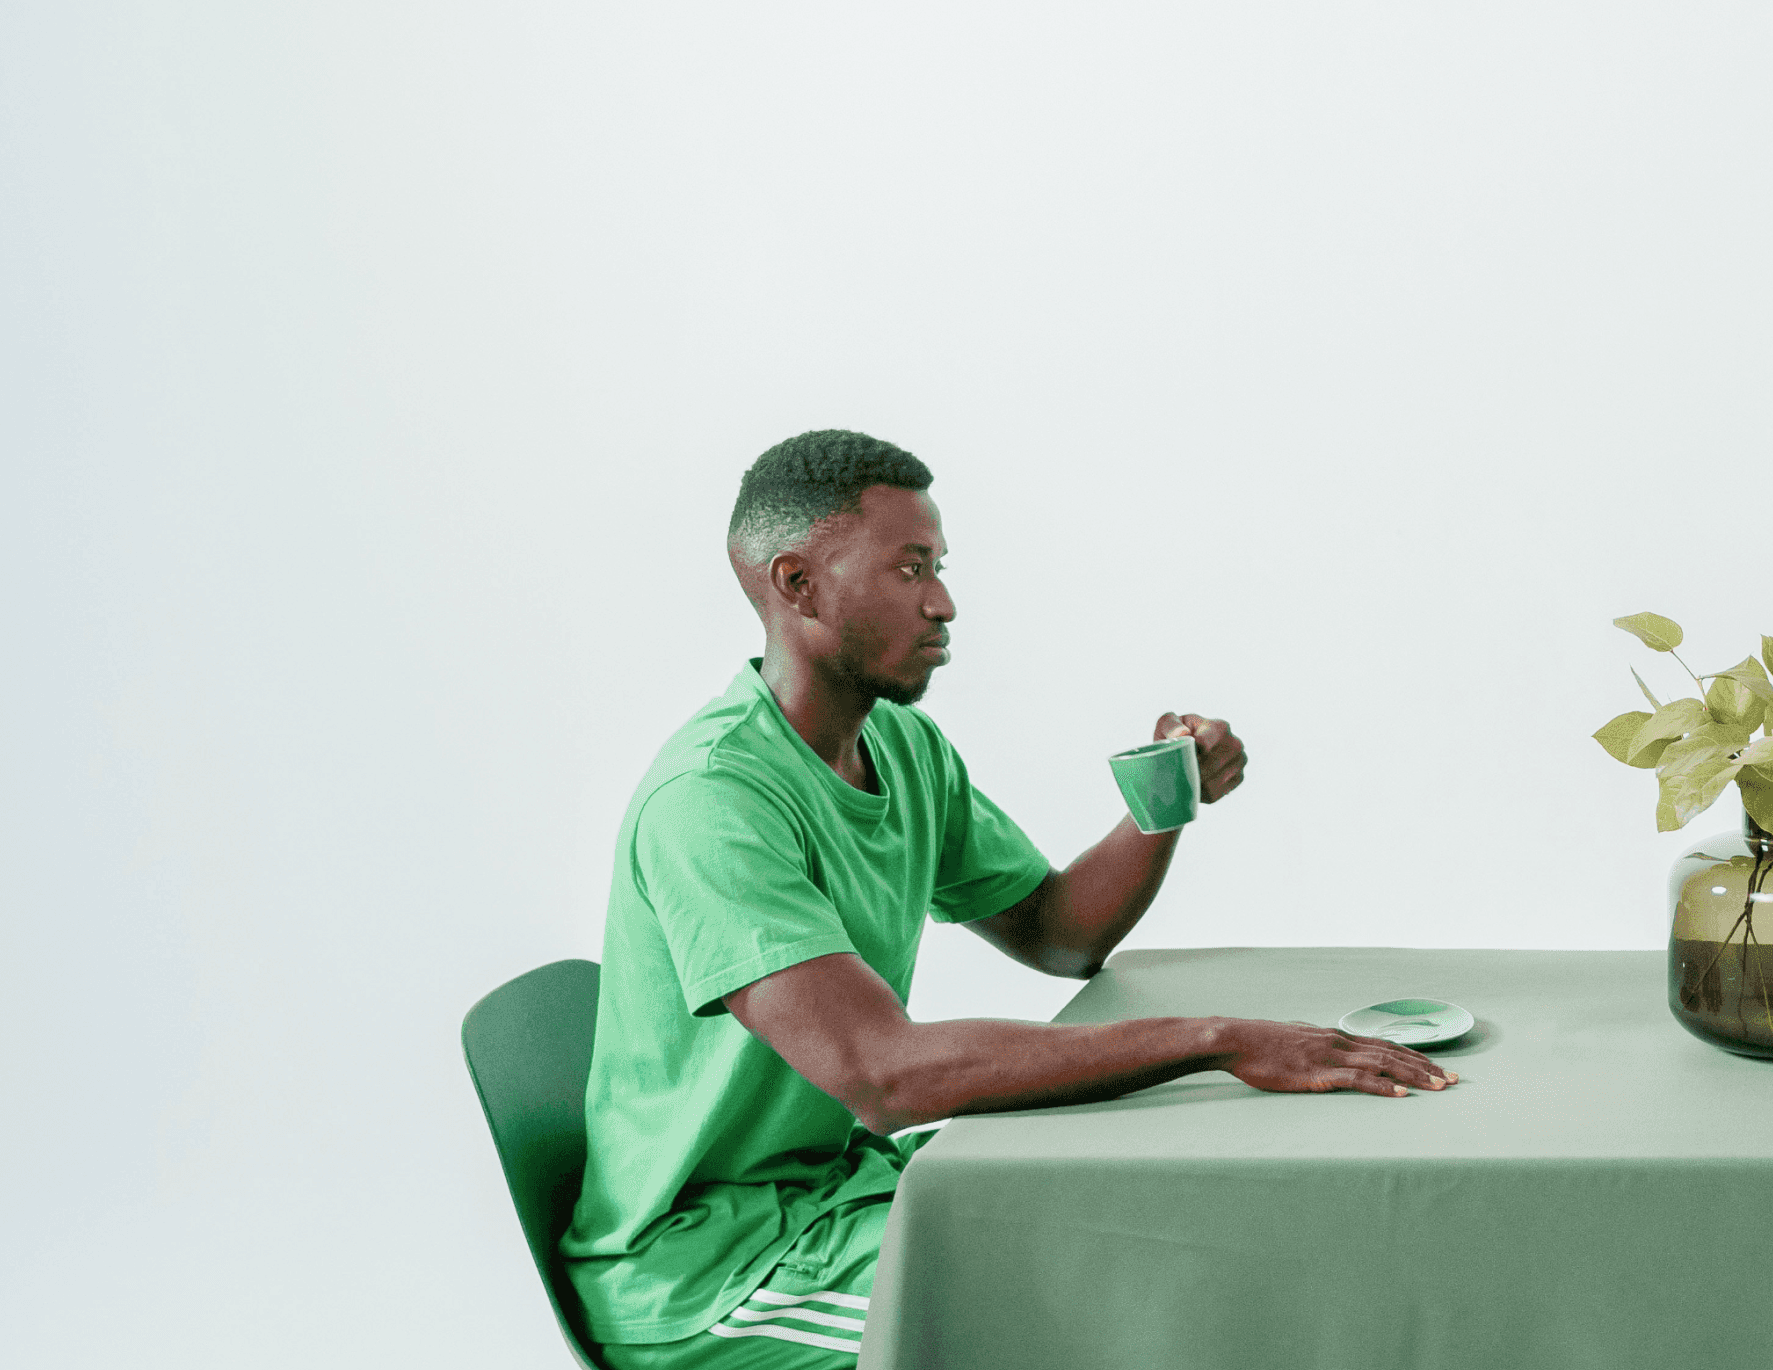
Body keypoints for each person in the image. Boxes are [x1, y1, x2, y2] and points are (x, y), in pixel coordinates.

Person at [562, 430, 1456, 1364]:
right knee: (1116, 1301)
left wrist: (1167, 800)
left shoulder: (904, 751)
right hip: (715, 1279)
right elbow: (884, 1074)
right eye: (910, 569)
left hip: (848, 1198)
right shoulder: (713, 801)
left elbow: (1056, 933)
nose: (943, 602)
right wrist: (1217, 1040)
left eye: (940, 567)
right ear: (798, 585)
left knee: (1171, 1229)